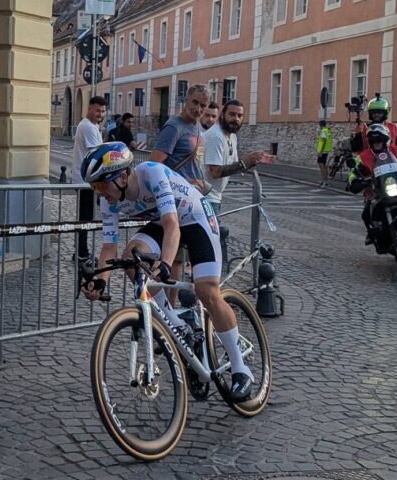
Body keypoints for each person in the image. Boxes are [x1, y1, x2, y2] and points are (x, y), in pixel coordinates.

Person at [78, 142, 255, 401]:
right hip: (161, 223)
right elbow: (109, 246)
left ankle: (241, 368)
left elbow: (174, 226)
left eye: (102, 186)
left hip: (195, 219)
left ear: (123, 177)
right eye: (95, 187)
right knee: (131, 257)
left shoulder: (152, 173)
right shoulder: (110, 201)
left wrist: (165, 264)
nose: (100, 193)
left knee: (206, 290)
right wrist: (101, 281)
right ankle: (176, 322)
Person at [204, 100, 274, 269]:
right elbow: (215, 171)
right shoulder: (215, 136)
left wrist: (252, 161)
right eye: (232, 114)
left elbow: (233, 165)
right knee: (208, 244)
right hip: (205, 196)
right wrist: (244, 163)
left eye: (240, 115)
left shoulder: (231, 136)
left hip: (215, 195)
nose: (235, 119)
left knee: (210, 241)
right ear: (223, 115)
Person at [347, 124, 397, 246]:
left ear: (385, 140)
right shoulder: (362, 157)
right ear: (370, 142)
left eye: (380, 140)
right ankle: (374, 236)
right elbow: (353, 173)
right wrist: (355, 181)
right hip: (376, 193)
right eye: (374, 141)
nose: (377, 143)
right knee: (366, 214)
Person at [151, 84, 210, 195]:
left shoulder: (197, 126)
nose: (198, 109)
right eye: (195, 102)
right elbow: (153, 165)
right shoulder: (174, 127)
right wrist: (185, 181)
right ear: (186, 100)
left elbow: (197, 159)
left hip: (193, 194)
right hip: (176, 196)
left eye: (203, 105)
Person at [72, 96, 107, 261]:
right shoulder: (88, 127)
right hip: (85, 180)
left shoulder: (92, 126)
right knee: (85, 219)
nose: (100, 114)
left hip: (86, 179)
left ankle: (81, 250)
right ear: (89, 109)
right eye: (97, 110)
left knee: (85, 217)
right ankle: (81, 253)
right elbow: (97, 154)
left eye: (103, 111)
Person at [316, 120, 332, 187]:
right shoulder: (328, 130)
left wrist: (321, 151)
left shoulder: (323, 131)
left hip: (323, 151)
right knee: (325, 166)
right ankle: (326, 180)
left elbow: (324, 141)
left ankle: (324, 181)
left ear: (321, 125)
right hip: (327, 150)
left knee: (321, 165)